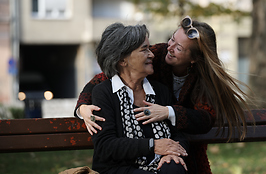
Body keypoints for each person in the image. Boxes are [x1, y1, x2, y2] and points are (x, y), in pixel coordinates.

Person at [75, 16, 254, 174]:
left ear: (193, 59)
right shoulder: (157, 55)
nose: (169, 47)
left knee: (176, 166)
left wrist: (169, 115)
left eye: (179, 48)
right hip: (128, 162)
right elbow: (110, 74)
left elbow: (204, 119)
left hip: (179, 149)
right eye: (172, 39)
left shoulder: (195, 81)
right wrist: (82, 107)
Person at [90, 23, 189, 174]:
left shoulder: (160, 90)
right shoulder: (103, 93)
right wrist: (152, 145)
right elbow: (105, 145)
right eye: (144, 50)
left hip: (158, 165)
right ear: (122, 60)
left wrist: (171, 152)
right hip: (118, 169)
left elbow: (178, 134)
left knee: (174, 167)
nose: (152, 55)